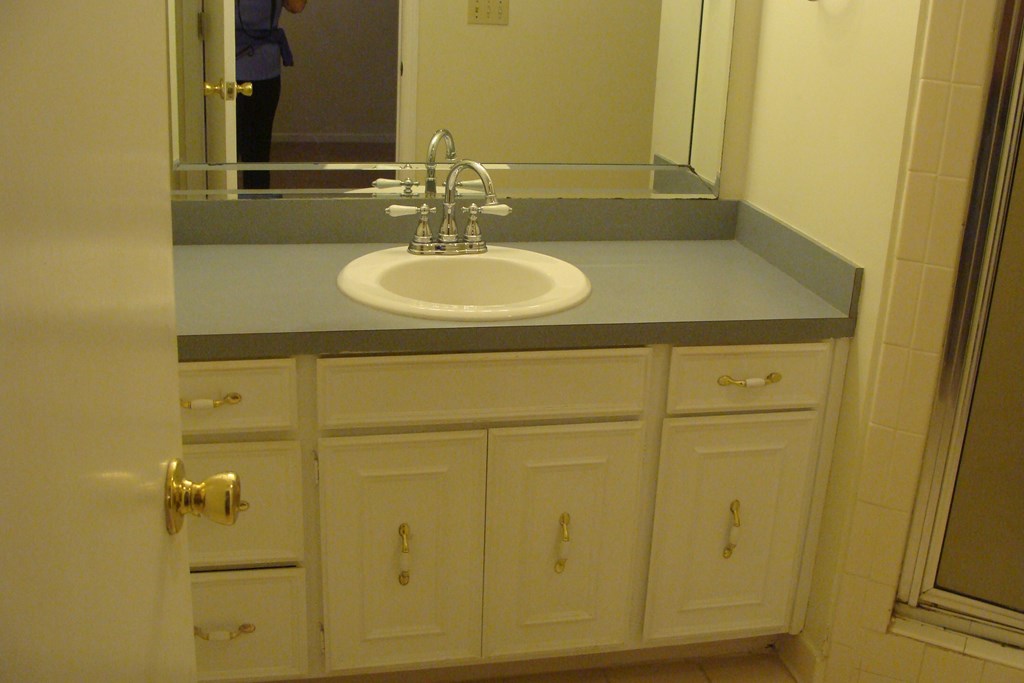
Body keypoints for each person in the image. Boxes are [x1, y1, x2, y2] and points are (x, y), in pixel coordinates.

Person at [235, 0, 307, 190]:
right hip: (220, 65)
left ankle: (255, 209)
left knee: (257, 151)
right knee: (221, 151)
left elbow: (296, 5)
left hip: (262, 69)